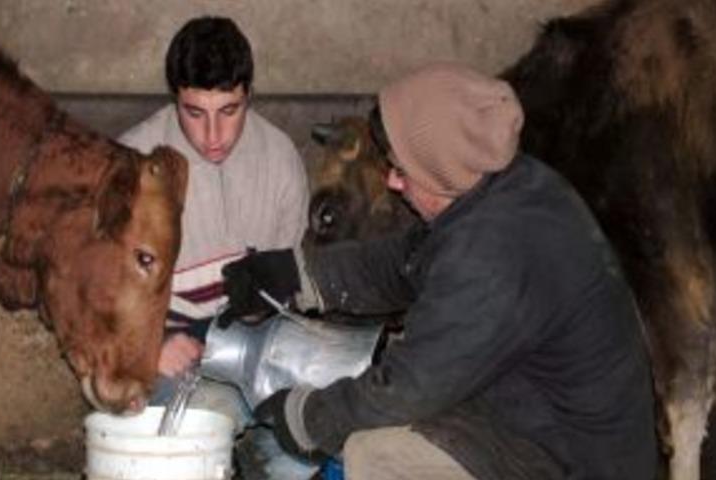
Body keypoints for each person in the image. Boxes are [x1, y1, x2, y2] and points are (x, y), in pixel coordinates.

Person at [220, 62, 658, 479]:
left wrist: (306, 419)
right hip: (537, 419)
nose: (392, 182)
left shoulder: (492, 254)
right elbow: (405, 262)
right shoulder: (506, 186)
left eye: (399, 170)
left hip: (571, 462)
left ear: (442, 170)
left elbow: (408, 387)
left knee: (377, 454)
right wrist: (293, 276)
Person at [118, 15, 311, 477]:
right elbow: (92, 300)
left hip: (256, 351)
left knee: (300, 457)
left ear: (248, 95)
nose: (213, 137)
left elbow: (289, 297)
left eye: (229, 111)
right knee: (200, 429)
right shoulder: (130, 167)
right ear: (174, 99)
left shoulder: (280, 160)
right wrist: (149, 347)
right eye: (194, 112)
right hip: (167, 356)